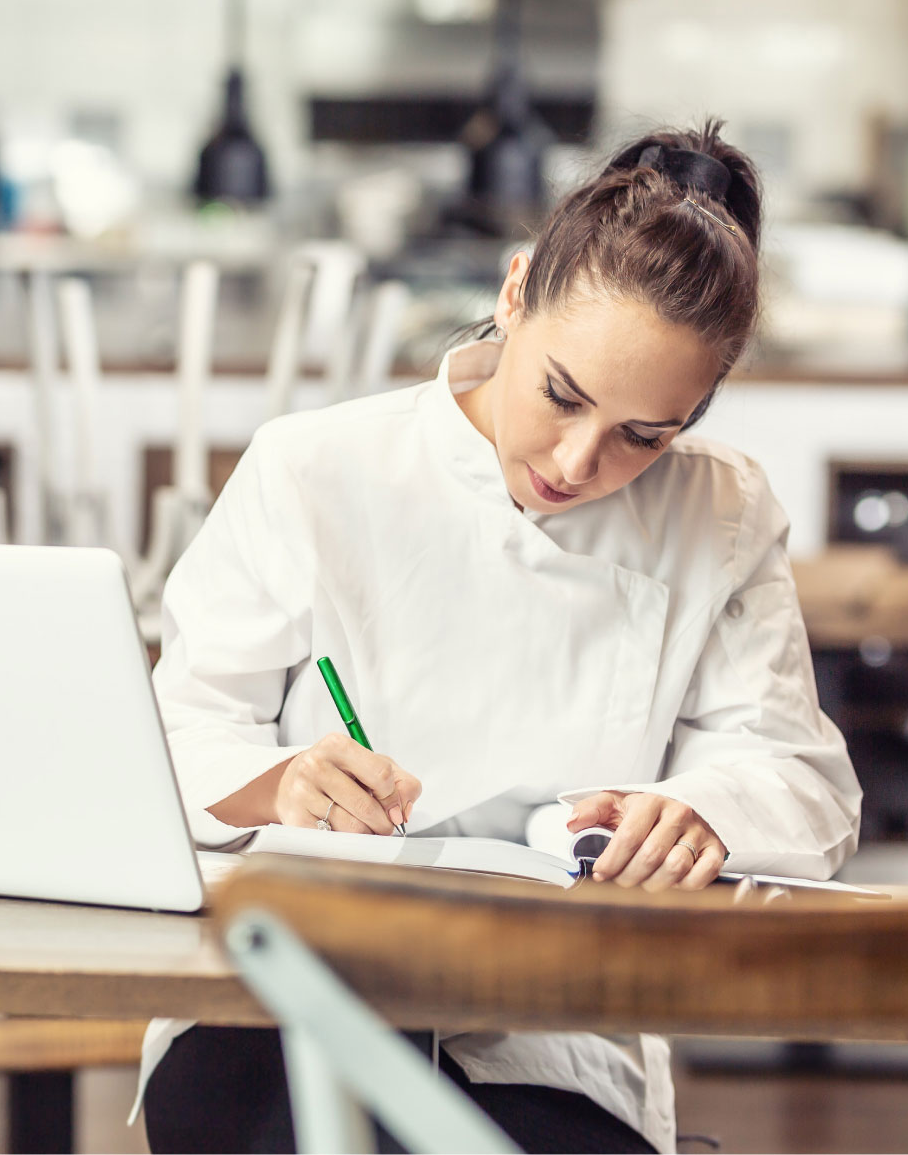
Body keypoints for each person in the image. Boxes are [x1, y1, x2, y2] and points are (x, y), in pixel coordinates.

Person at [138, 122, 862, 1154]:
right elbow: (171, 731)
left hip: (550, 1031)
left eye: (644, 435)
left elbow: (803, 781)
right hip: (280, 1001)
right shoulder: (314, 467)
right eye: (561, 394)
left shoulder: (722, 510)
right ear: (516, 291)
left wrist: (698, 809)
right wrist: (280, 780)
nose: (578, 459)